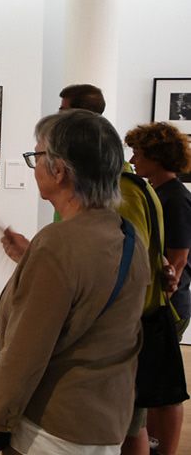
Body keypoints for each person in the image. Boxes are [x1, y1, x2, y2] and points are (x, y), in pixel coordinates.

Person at [0, 110, 150, 455]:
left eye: (37, 156)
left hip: (53, 428)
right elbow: (96, 305)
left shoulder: (58, 244)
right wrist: (30, 258)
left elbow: (25, 354)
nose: (34, 167)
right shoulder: (128, 237)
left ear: (59, 170)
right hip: (105, 422)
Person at [125, 121, 191, 455]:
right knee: (153, 383)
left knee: (165, 388)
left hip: (169, 303)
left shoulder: (174, 198)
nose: (133, 160)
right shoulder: (155, 192)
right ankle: (149, 444)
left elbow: (177, 256)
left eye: (138, 153)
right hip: (160, 301)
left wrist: (164, 290)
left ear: (157, 155)